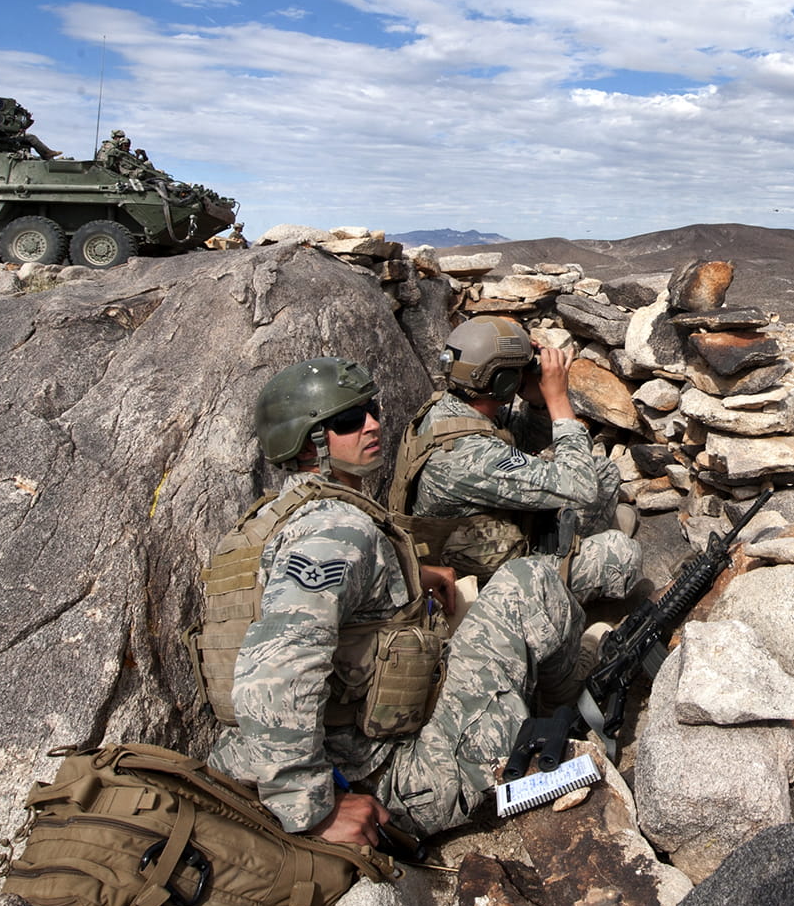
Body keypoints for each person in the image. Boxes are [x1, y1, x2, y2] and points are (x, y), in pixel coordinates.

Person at [206, 357, 583, 843]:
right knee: (530, 581)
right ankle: (568, 718)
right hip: (391, 780)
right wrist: (315, 813)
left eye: (371, 410)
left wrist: (411, 573)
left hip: (339, 749)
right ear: (308, 442)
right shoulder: (337, 531)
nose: (372, 425)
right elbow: (276, 671)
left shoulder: (270, 522)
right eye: (347, 421)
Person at [389, 316, 639, 605]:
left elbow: (523, 437)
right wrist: (558, 399)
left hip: (491, 533)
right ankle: (565, 603)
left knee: (603, 470)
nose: (527, 375)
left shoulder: (451, 408)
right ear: (503, 382)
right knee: (621, 553)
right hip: (485, 581)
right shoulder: (467, 456)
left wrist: (537, 401)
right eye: (519, 371)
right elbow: (580, 486)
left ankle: (580, 559)